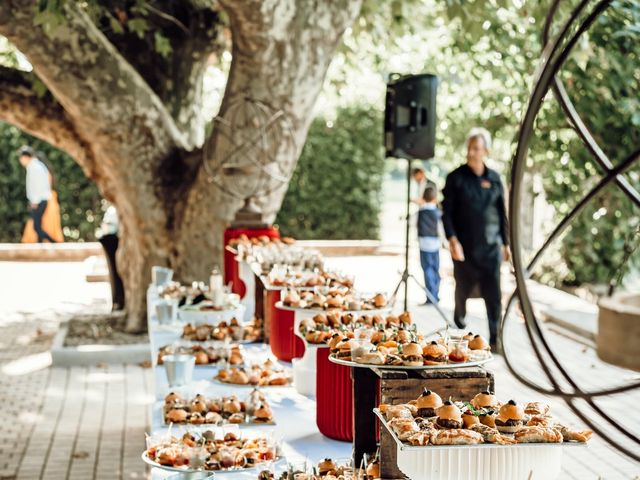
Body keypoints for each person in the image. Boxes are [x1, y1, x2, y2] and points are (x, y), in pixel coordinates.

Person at [442, 128, 510, 351]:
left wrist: (506, 244)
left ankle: (495, 339)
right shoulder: (455, 178)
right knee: (461, 292)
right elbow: (447, 213)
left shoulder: (495, 178)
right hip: (465, 249)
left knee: (494, 297)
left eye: (477, 148)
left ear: (486, 151)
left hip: (491, 249)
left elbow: (502, 214)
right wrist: (452, 240)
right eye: (469, 148)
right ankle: (459, 334)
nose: (471, 152)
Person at [18, 146, 59, 243]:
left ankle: (53, 242)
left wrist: (34, 201)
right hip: (42, 199)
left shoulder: (34, 167)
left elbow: (37, 186)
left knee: (36, 227)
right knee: (38, 226)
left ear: (25, 157)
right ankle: (44, 244)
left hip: (39, 200)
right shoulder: (37, 166)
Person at [417, 185, 442, 304]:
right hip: (435, 244)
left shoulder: (420, 212)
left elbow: (411, 223)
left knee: (427, 269)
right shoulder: (438, 213)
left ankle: (431, 296)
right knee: (435, 269)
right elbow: (441, 229)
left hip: (424, 244)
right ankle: (435, 294)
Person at [98, 204, 125, 311]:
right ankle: (117, 301)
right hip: (112, 241)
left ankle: (118, 301)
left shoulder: (114, 210)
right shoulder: (113, 211)